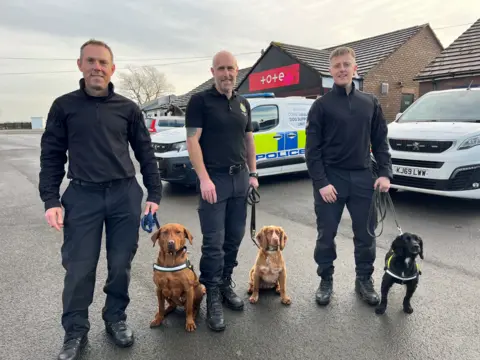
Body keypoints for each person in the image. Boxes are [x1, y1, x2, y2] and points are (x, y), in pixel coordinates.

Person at [38, 39, 162, 360]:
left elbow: (145, 153)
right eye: (91, 61)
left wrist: (154, 194)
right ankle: (75, 331)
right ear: (80, 65)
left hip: (124, 194)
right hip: (83, 195)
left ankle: (115, 318)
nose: (97, 67)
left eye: (103, 62)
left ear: (112, 68)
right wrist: (51, 199)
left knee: (121, 264)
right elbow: (51, 155)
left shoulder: (128, 109)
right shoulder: (63, 107)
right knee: (79, 268)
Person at [305, 46, 392, 307]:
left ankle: (364, 280)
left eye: (346, 64)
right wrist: (321, 183)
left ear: (355, 69)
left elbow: (380, 141)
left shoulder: (370, 103)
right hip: (331, 179)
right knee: (325, 234)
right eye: (337, 66)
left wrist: (385, 173)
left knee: (366, 235)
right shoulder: (320, 106)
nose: (342, 69)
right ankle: (326, 280)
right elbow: (312, 150)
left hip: (364, 177)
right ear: (330, 71)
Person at [185, 50, 259, 332]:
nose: (226, 74)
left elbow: (249, 140)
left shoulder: (243, 104)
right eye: (221, 69)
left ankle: (226, 282)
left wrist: (253, 174)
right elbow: (193, 141)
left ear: (237, 70)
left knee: (234, 238)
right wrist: (203, 179)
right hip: (213, 180)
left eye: (231, 69)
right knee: (213, 242)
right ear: (212, 71)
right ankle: (212, 293)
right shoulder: (199, 101)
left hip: (240, 179)